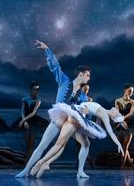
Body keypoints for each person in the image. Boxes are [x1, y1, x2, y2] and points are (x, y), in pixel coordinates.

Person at [16, 39, 94, 179]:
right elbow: (55, 66)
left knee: (86, 143)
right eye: (87, 75)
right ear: (81, 74)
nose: (89, 78)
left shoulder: (83, 96)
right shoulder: (64, 81)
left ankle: (80, 171)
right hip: (58, 122)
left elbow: (85, 112)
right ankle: (26, 170)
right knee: (42, 145)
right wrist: (47, 49)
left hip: (71, 124)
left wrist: (87, 115)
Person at [30, 101, 125, 178]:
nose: (117, 110)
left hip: (76, 118)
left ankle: (80, 171)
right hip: (76, 116)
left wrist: (118, 144)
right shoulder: (103, 111)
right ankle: (41, 163)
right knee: (60, 144)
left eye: (118, 113)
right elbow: (96, 121)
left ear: (114, 116)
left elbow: (110, 132)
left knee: (85, 144)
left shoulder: (104, 115)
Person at [10, 82, 49, 160]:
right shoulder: (24, 99)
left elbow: (33, 113)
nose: (37, 91)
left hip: (34, 121)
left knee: (31, 144)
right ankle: (28, 160)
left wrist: (23, 120)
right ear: (31, 89)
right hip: (25, 121)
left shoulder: (38, 101)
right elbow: (22, 111)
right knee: (27, 143)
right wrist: (23, 121)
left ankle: (29, 162)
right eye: (35, 89)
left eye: (38, 89)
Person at [114, 84, 134, 169]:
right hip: (119, 123)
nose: (131, 92)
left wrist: (123, 119)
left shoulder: (133, 102)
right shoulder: (117, 100)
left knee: (125, 146)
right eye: (129, 91)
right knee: (121, 146)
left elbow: (131, 113)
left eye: (132, 91)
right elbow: (117, 112)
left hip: (129, 124)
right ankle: (130, 164)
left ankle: (123, 165)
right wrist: (121, 121)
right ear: (125, 90)